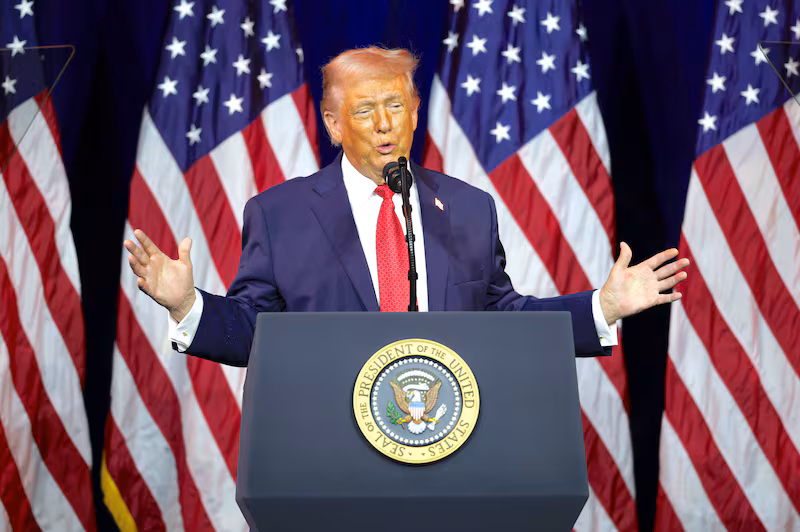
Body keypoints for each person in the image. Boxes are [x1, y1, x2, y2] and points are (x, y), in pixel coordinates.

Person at [123, 47, 689, 367]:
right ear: (333, 125)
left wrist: (601, 307)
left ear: (416, 112)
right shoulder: (280, 214)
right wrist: (188, 305)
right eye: (366, 110)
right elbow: (254, 333)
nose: (385, 124)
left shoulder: (468, 209)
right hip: (327, 464)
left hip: (451, 457)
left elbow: (505, 321)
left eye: (397, 105)